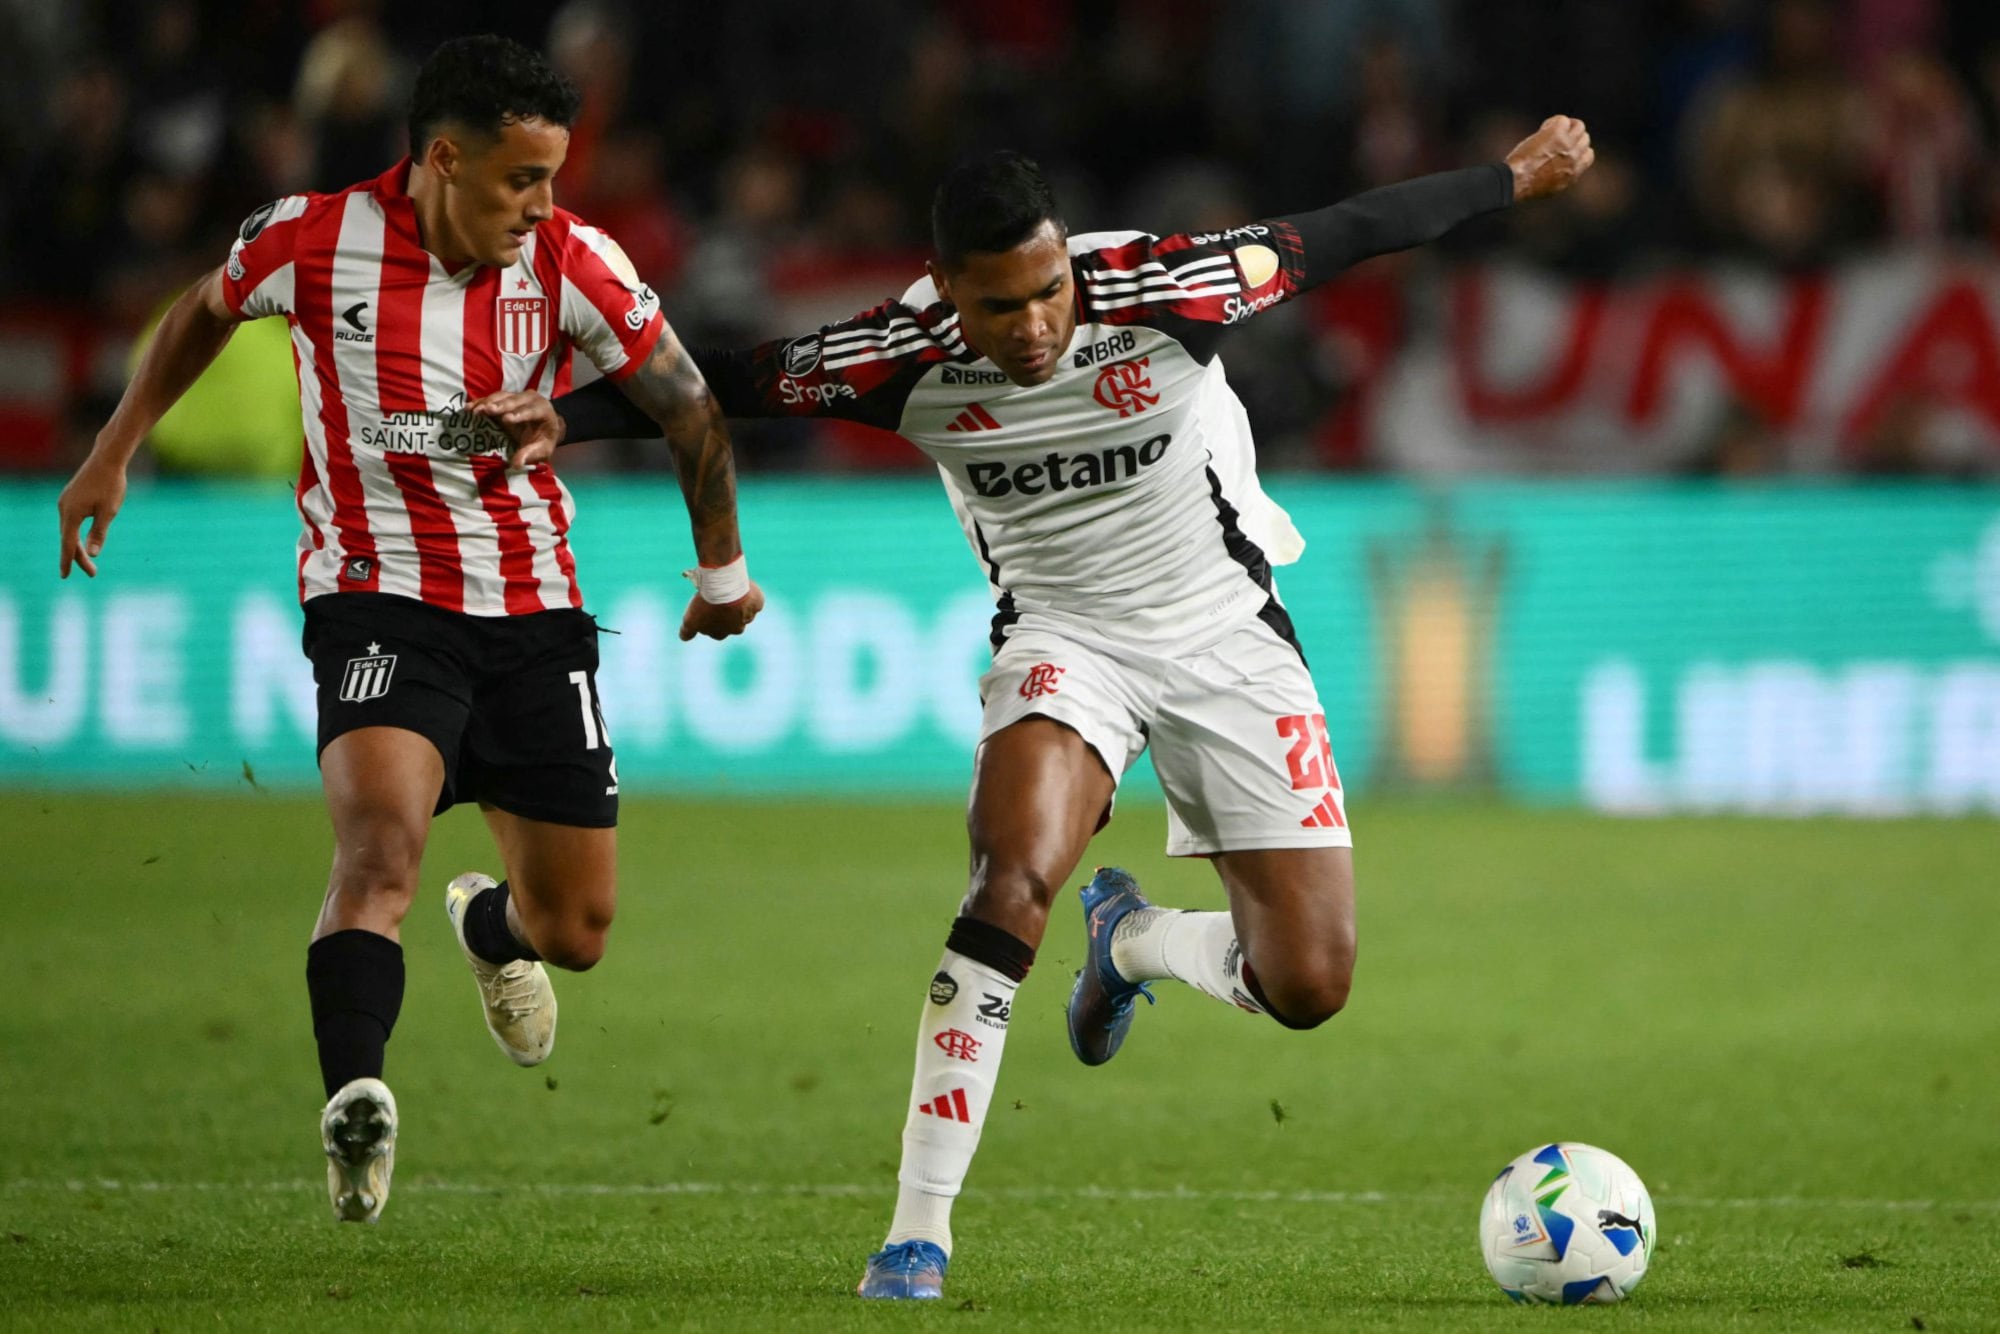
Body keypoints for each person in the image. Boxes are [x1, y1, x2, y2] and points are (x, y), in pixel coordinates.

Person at [475, 117, 1593, 1298]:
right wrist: (567, 415)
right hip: (1066, 638)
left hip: (1223, 625)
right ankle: (916, 1231)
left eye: (1050, 292)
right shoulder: (892, 355)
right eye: (1001, 307)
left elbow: (1350, 231)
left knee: (1308, 982)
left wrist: (1511, 178)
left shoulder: (1170, 287)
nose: (1036, 327)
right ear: (946, 290)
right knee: (1009, 877)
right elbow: (717, 381)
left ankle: (1133, 940)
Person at [54, 34, 763, 1225]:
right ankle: (357, 1099)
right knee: (380, 843)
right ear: (443, 157)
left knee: (576, 930)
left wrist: (723, 570)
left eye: (551, 178)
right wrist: (112, 452)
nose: (541, 204)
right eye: (520, 178)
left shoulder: (573, 259)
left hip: (534, 610)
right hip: (375, 596)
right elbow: (200, 309)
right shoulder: (311, 237)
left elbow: (687, 400)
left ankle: (488, 925)